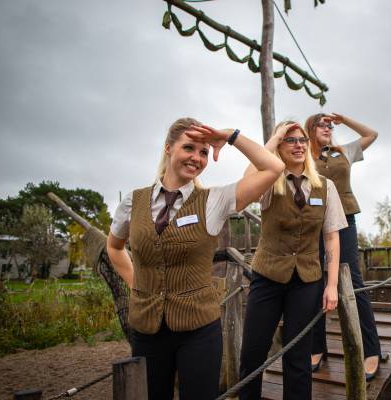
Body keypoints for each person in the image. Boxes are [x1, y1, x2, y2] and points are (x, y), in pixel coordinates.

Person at [106, 118, 285, 400]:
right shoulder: (133, 201)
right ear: (168, 149)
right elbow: (114, 248)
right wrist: (136, 286)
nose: (197, 158)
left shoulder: (214, 200)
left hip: (199, 331)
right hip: (147, 329)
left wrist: (230, 136)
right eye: (189, 148)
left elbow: (273, 167)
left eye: (203, 152)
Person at [239, 122, 348, 400]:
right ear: (279, 147)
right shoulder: (267, 182)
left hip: (307, 281)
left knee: (299, 357)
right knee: (253, 352)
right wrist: (273, 138)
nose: (299, 145)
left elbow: (332, 238)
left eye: (301, 140)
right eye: (290, 140)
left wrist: (332, 285)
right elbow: (246, 180)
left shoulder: (326, 187)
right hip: (267, 277)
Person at [304, 112, 381, 380]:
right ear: (310, 130)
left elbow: (372, 134)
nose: (327, 128)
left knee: (353, 280)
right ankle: (316, 348)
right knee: (314, 280)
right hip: (312, 220)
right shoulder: (303, 155)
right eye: (321, 124)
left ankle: (371, 349)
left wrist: (344, 119)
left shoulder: (343, 151)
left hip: (344, 219)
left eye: (329, 125)